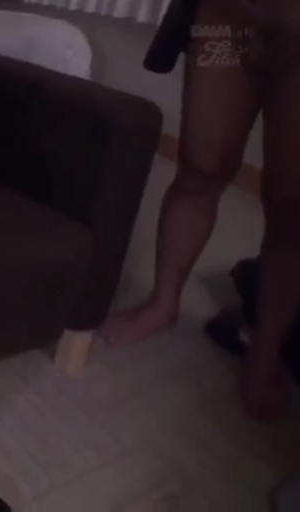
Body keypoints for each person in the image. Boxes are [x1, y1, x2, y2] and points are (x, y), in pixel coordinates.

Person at [101, 0, 300, 421]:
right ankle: (163, 303)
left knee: (291, 210)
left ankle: (264, 356)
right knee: (199, 167)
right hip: (229, 16)